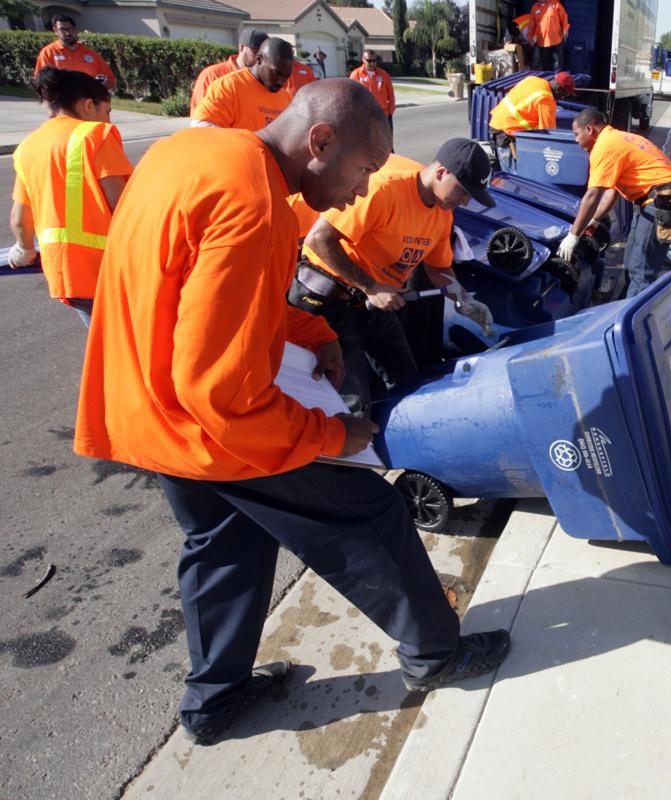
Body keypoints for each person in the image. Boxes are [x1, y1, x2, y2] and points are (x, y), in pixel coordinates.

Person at [73, 79, 510, 747]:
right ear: (320, 141)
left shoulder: (188, 155)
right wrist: (332, 432)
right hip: (205, 428)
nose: (364, 191)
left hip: (143, 409)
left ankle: (214, 701)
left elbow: (205, 296)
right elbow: (221, 394)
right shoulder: (254, 206)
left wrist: (315, 334)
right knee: (372, 511)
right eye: (364, 169)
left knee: (225, 544)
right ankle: (435, 654)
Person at [301, 140, 497, 414]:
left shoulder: (442, 216)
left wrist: (463, 297)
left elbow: (437, 269)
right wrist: (369, 286)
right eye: (463, 191)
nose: (464, 202)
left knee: (410, 384)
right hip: (332, 304)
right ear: (441, 172)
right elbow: (319, 240)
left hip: (376, 307)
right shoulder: (384, 189)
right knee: (352, 406)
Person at [8, 68, 132, 326]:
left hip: (66, 275)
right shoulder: (96, 135)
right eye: (106, 112)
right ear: (89, 105)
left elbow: (20, 220)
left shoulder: (28, 147)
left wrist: (24, 250)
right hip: (108, 268)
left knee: (102, 345)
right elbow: (123, 207)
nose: (108, 121)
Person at [559, 107, 671, 298]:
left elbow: (593, 195)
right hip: (657, 199)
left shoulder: (605, 146)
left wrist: (573, 236)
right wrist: (593, 221)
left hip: (662, 202)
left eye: (577, 134)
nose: (576, 141)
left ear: (590, 130)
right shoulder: (617, 138)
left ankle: (632, 322)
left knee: (643, 270)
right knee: (631, 261)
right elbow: (612, 192)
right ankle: (623, 306)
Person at [192, 37, 293, 131]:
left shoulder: (286, 98)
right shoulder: (228, 87)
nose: (282, 81)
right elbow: (200, 126)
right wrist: (243, 142)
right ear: (259, 59)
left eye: (286, 76)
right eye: (276, 73)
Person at [487, 71, 576, 170]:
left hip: (497, 124)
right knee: (514, 178)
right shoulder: (546, 99)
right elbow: (549, 134)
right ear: (559, 89)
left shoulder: (533, 80)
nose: (563, 98)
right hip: (506, 134)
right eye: (565, 94)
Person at [190, 28, 268, 113]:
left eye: (263, 55)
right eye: (255, 51)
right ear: (241, 47)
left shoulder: (267, 80)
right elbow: (198, 117)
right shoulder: (212, 75)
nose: (259, 58)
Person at [34, 15, 116, 89]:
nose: (67, 33)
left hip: (88, 102)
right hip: (62, 103)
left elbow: (111, 81)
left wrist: (96, 84)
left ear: (76, 30)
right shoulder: (48, 53)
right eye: (62, 29)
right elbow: (40, 81)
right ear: (55, 31)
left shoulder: (91, 54)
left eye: (70, 29)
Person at [349, 50, 395, 136]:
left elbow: (391, 94)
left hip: (383, 115)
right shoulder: (356, 75)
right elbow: (350, 96)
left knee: (386, 142)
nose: (372, 63)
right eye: (369, 61)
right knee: (367, 142)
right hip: (364, 116)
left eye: (374, 61)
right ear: (363, 59)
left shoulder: (384, 75)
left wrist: (390, 111)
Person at [530, 0, 569, 71]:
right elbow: (532, 25)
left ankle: (557, 81)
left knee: (558, 67)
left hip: (557, 40)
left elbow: (564, 16)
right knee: (545, 67)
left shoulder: (555, 3)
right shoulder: (534, 8)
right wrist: (530, 38)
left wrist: (565, 29)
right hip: (543, 42)